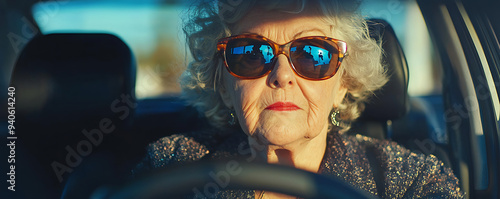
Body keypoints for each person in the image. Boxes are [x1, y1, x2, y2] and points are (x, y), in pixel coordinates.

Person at [133, 0, 464, 198]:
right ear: (223, 84)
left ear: (344, 84)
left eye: (312, 54)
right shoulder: (173, 166)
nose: (281, 75)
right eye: (250, 53)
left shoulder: (408, 181)